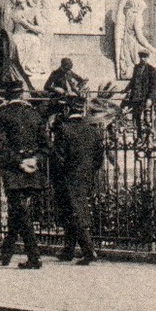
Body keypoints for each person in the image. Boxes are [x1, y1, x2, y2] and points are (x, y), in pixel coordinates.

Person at [0, 82, 48, 269]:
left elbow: (2, 147)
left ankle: (34, 256)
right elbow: (46, 146)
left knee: (20, 213)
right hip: (33, 169)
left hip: (13, 171)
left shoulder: (3, 116)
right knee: (18, 211)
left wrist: (19, 162)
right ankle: (6, 253)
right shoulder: (34, 114)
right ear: (22, 94)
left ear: (7, 96)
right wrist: (34, 160)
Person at [52, 96, 115, 264]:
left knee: (75, 212)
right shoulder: (93, 130)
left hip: (68, 177)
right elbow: (98, 157)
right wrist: (89, 172)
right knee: (72, 211)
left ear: (67, 110)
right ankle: (68, 250)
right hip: (87, 177)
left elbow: (58, 158)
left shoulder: (64, 130)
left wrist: (59, 176)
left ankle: (88, 251)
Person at [124, 50, 156, 140]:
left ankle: (148, 136)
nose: (143, 59)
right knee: (136, 117)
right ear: (139, 58)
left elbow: (154, 85)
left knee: (146, 117)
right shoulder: (136, 68)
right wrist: (125, 89)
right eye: (142, 57)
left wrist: (150, 99)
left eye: (145, 57)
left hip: (145, 97)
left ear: (148, 58)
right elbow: (132, 81)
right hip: (136, 97)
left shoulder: (151, 70)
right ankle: (139, 137)